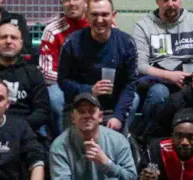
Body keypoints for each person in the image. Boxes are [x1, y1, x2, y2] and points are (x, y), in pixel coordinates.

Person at [49, 91, 137, 180]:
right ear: (72, 117)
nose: (86, 115)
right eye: (81, 111)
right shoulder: (60, 145)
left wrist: (106, 163)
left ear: (100, 116)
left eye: (91, 111)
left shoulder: (118, 140)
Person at [131, 0, 193, 127]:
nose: (171, 4)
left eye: (175, 0)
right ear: (157, 1)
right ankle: (147, 138)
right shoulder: (143, 26)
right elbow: (140, 65)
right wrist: (169, 76)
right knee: (158, 92)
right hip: (158, 81)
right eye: (166, 0)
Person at [58, 0, 139, 133]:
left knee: (116, 145)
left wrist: (118, 116)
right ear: (86, 16)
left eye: (105, 15)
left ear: (113, 16)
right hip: (80, 105)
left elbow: (130, 83)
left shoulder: (126, 43)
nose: (100, 20)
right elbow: (63, 80)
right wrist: (89, 90)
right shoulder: (72, 42)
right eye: (94, 14)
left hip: (113, 107)